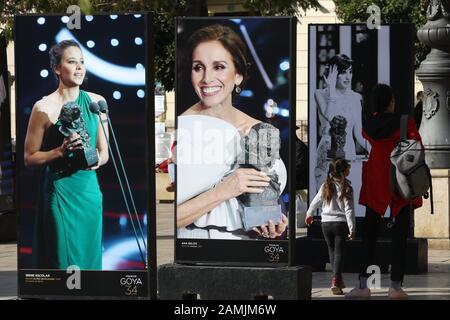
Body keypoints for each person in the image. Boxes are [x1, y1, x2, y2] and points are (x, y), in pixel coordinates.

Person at [176, 24, 288, 240]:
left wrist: (276, 223)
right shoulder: (183, 128)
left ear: (237, 75)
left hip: (250, 257)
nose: (207, 78)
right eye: (198, 67)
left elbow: (271, 199)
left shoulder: (261, 130)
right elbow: (161, 219)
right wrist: (224, 190)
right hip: (198, 255)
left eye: (219, 67)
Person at [24, 40, 109, 269]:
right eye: (72, 62)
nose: (79, 67)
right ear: (57, 68)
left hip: (90, 192)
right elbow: (29, 157)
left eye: (82, 62)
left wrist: (95, 162)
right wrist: (59, 151)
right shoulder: (43, 107)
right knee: (62, 260)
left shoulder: (96, 102)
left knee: (90, 262)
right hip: (60, 191)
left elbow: (105, 153)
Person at [346, 84, 423, 299]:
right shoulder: (404, 122)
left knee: (369, 235)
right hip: (399, 182)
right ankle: (395, 288)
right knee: (400, 236)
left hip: (375, 182)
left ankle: (363, 286)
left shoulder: (367, 124)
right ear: (390, 101)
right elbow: (418, 147)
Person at [314, 54, 370, 188]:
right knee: (326, 199)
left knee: (346, 199)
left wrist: (374, 151)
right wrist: (332, 90)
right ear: (333, 74)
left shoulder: (356, 98)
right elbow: (330, 116)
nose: (347, 77)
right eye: (343, 72)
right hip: (327, 152)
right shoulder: (320, 94)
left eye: (350, 72)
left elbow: (358, 134)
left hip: (348, 152)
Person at [305, 158, 355, 295]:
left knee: (332, 251)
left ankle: (338, 282)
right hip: (340, 224)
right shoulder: (347, 187)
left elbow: (316, 201)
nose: (350, 170)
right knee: (339, 253)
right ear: (344, 171)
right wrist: (352, 228)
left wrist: (309, 214)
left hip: (325, 223)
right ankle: (335, 280)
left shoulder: (326, 185)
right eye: (348, 168)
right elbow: (349, 210)